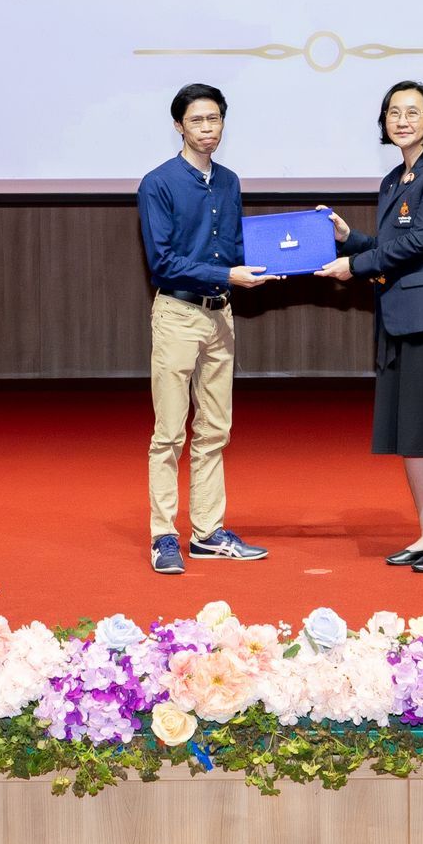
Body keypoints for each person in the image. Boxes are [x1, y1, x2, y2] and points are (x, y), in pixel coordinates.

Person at [315, 80, 423, 573]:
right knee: (413, 431)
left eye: (412, 111)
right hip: (399, 317)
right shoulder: (393, 180)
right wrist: (350, 239)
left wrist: (354, 266)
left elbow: (419, 243)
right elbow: (390, 245)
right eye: (393, 112)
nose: (401, 120)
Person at [138, 83, 275, 575]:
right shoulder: (158, 183)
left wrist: (294, 249)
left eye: (214, 119)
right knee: (169, 433)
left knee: (215, 429)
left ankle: (207, 533)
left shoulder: (230, 181)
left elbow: (235, 247)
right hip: (178, 314)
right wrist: (228, 273)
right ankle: (163, 536)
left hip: (221, 315)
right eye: (196, 120)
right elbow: (162, 261)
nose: (207, 128)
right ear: (179, 125)